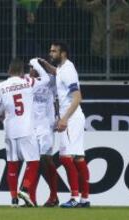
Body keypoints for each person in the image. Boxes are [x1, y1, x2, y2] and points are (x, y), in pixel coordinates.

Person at [0, 58, 49, 207]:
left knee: (12, 164)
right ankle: (25, 188)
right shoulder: (28, 82)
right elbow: (46, 79)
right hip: (26, 129)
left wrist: (3, 110)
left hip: (10, 130)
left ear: (9, 70)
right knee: (33, 161)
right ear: (22, 71)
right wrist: (35, 64)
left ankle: (14, 199)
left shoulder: (2, 86)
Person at [39, 41, 90, 208]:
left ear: (63, 53)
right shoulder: (63, 69)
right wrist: (46, 66)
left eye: (54, 51)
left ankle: (74, 197)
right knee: (78, 158)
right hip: (74, 117)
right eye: (50, 51)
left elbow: (77, 97)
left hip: (72, 118)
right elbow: (58, 73)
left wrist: (64, 118)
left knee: (65, 157)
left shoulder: (67, 70)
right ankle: (84, 199)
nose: (51, 53)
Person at [20, 61, 60, 207]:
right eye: (29, 67)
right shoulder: (25, 80)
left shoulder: (50, 80)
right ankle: (32, 198)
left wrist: (58, 117)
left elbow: (57, 98)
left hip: (46, 127)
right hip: (31, 127)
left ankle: (54, 196)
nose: (30, 70)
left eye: (33, 67)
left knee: (45, 160)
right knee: (33, 161)